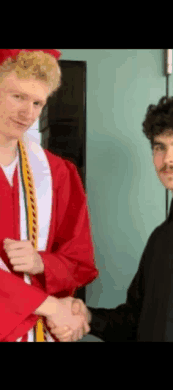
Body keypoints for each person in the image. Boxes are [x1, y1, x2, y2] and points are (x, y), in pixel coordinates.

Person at [48, 93, 173, 342]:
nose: (168, 159)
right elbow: (135, 322)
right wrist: (86, 317)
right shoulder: (161, 236)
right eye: (160, 147)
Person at [0, 49, 99, 342]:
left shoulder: (57, 174)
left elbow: (80, 264)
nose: (27, 113)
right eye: (17, 96)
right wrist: (51, 307)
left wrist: (42, 263)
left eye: (37, 102)